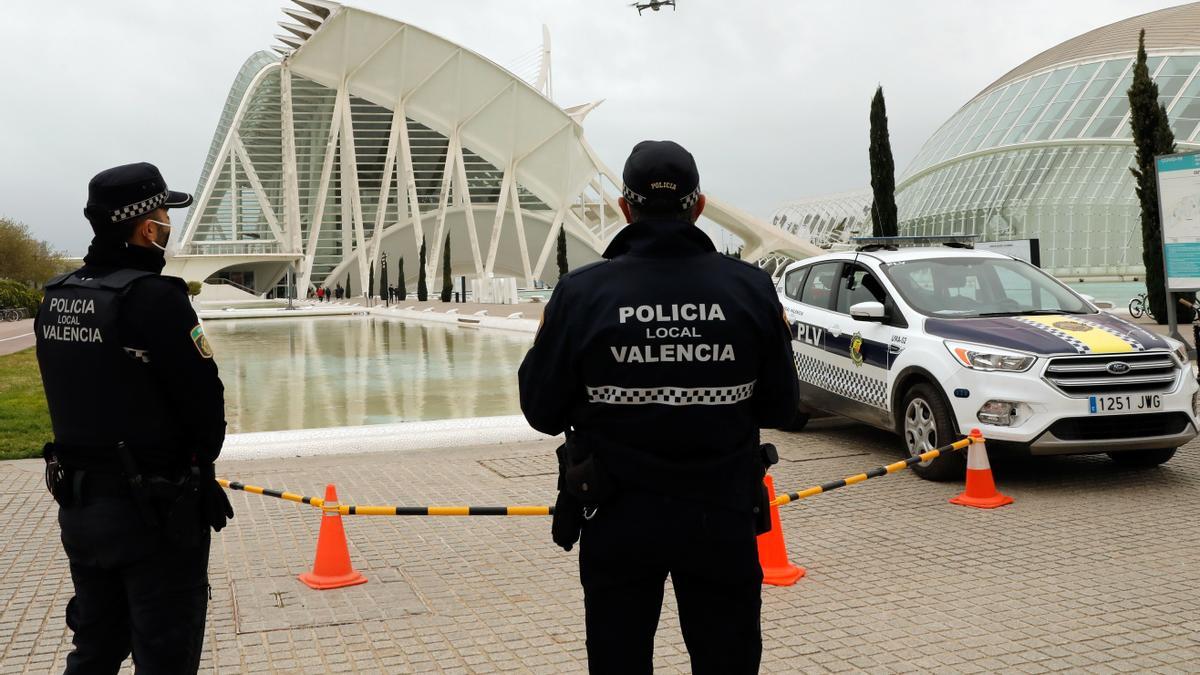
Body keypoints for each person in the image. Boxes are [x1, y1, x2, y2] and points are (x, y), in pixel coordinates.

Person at [518, 141, 799, 674]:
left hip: (618, 516)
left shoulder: (582, 293)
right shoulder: (750, 289)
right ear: (697, 207)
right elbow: (783, 406)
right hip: (722, 515)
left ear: (626, 208)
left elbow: (542, 410)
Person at [35, 162, 233, 674]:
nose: (168, 225)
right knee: (165, 654)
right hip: (154, 514)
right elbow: (204, 403)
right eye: (166, 215)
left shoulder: (59, 297)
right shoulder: (154, 299)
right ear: (148, 227)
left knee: (96, 647)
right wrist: (198, 468)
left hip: (81, 508)